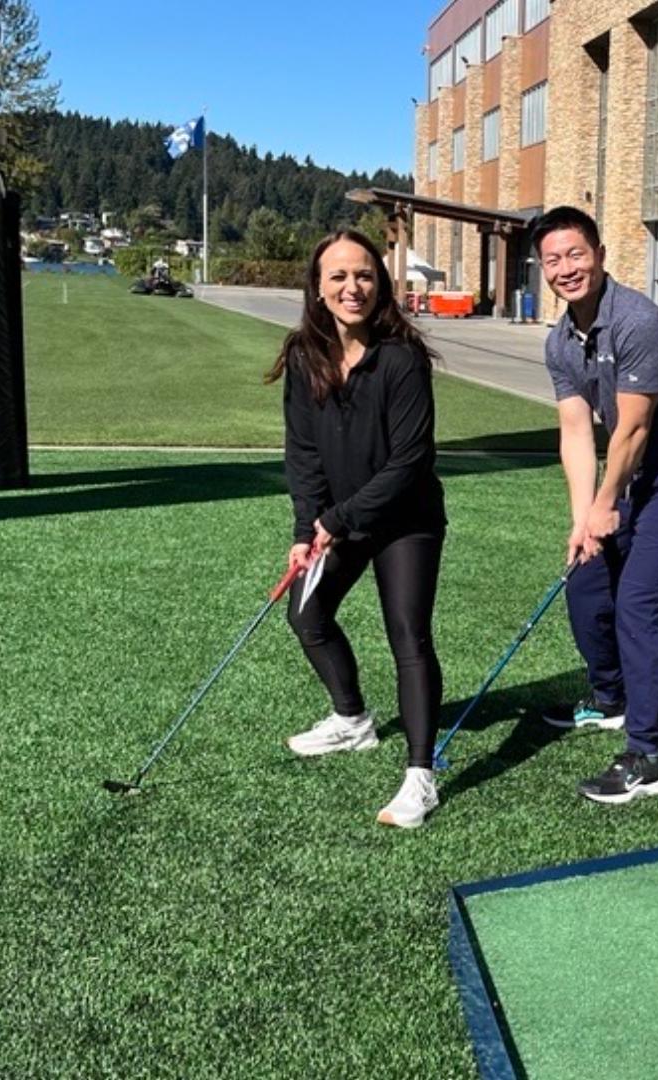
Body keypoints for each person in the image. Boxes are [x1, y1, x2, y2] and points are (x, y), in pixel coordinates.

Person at [533, 206, 658, 804]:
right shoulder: (561, 341)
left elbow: (634, 430)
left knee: (640, 603)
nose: (567, 268)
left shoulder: (638, 320)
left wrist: (607, 501)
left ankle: (647, 755)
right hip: (632, 478)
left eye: (576, 254)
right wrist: (583, 517)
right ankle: (610, 698)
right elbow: (574, 432)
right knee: (585, 581)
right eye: (553, 260)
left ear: (600, 254)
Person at [268, 230, 447, 829]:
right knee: (307, 614)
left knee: (408, 637)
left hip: (407, 519)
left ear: (382, 284)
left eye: (364, 275)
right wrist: (305, 527)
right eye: (339, 277)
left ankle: (421, 774)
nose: (353, 287)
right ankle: (352, 720)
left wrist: (334, 520)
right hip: (341, 517)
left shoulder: (401, 357)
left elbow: (409, 462)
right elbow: (303, 454)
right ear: (318, 288)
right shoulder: (303, 355)